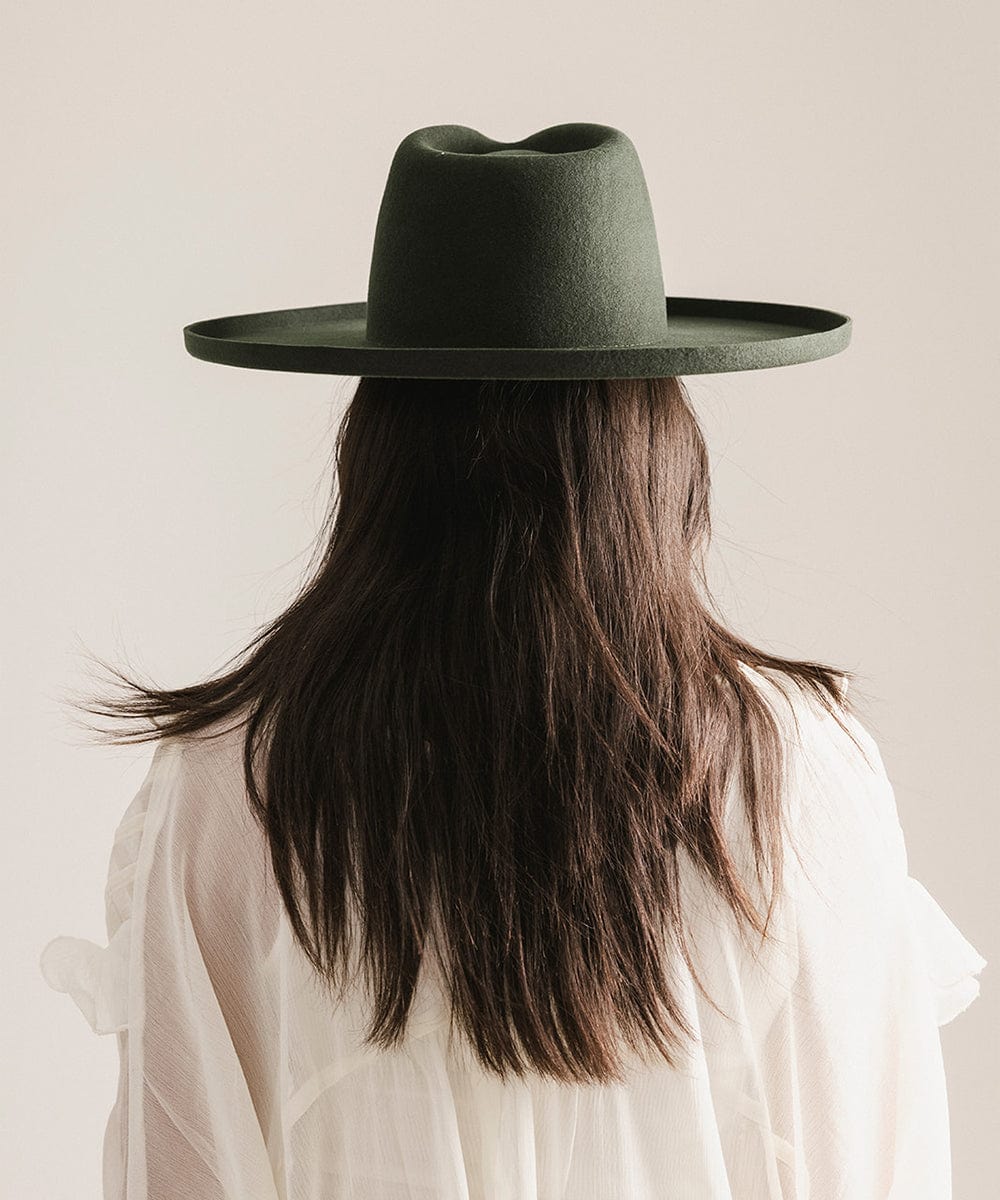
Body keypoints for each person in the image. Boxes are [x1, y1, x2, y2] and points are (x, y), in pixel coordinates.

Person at [40, 124, 986, 1199]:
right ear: (656, 447)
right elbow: (873, 1166)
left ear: (377, 449)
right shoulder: (797, 776)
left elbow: (178, 1174)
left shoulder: (226, 787)